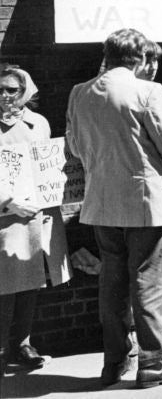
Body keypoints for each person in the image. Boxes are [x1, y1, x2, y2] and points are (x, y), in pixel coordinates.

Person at [66, 29, 162, 388]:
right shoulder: (148, 91)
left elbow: (75, 149)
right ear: (139, 58)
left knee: (113, 283)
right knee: (150, 282)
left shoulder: (79, 93)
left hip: (102, 203)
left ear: (107, 55)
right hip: (147, 203)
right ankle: (154, 361)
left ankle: (114, 361)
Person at [0, 65, 69, 376]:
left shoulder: (37, 123)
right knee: (4, 285)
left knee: (31, 281)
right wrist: (7, 201)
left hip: (35, 214)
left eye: (11, 90)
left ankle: (22, 342)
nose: (5, 95)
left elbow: (47, 163)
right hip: (6, 216)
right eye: (0, 89)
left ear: (25, 91)